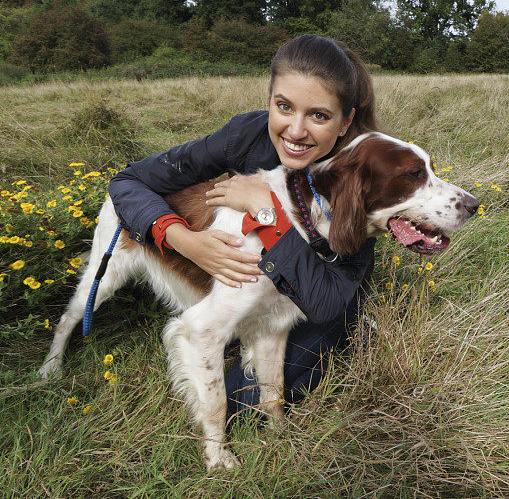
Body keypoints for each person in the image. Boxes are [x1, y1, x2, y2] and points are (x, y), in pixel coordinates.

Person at [107, 34, 380, 417]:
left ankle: (354, 325)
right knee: (229, 378)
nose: (296, 131)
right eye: (284, 107)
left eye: (319, 115)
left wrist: (264, 209)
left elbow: (321, 300)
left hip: (324, 290)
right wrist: (182, 239)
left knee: (244, 403)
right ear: (268, 99)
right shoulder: (246, 134)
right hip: (257, 276)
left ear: (345, 121)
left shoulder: (364, 170)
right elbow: (127, 181)